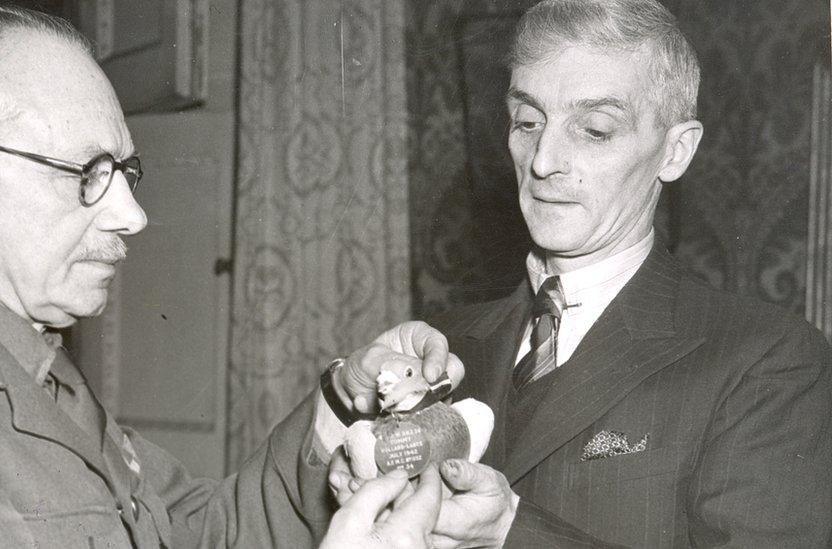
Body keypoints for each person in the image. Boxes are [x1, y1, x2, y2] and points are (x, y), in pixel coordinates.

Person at [0, 5, 459, 547]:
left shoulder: (28, 364)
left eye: (124, 171)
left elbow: (204, 532)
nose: (133, 216)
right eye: (87, 170)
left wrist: (347, 400)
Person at [332, 0, 832, 546]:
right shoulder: (443, 348)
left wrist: (509, 532)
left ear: (675, 151)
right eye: (527, 121)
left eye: (594, 130)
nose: (543, 160)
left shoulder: (768, 360)